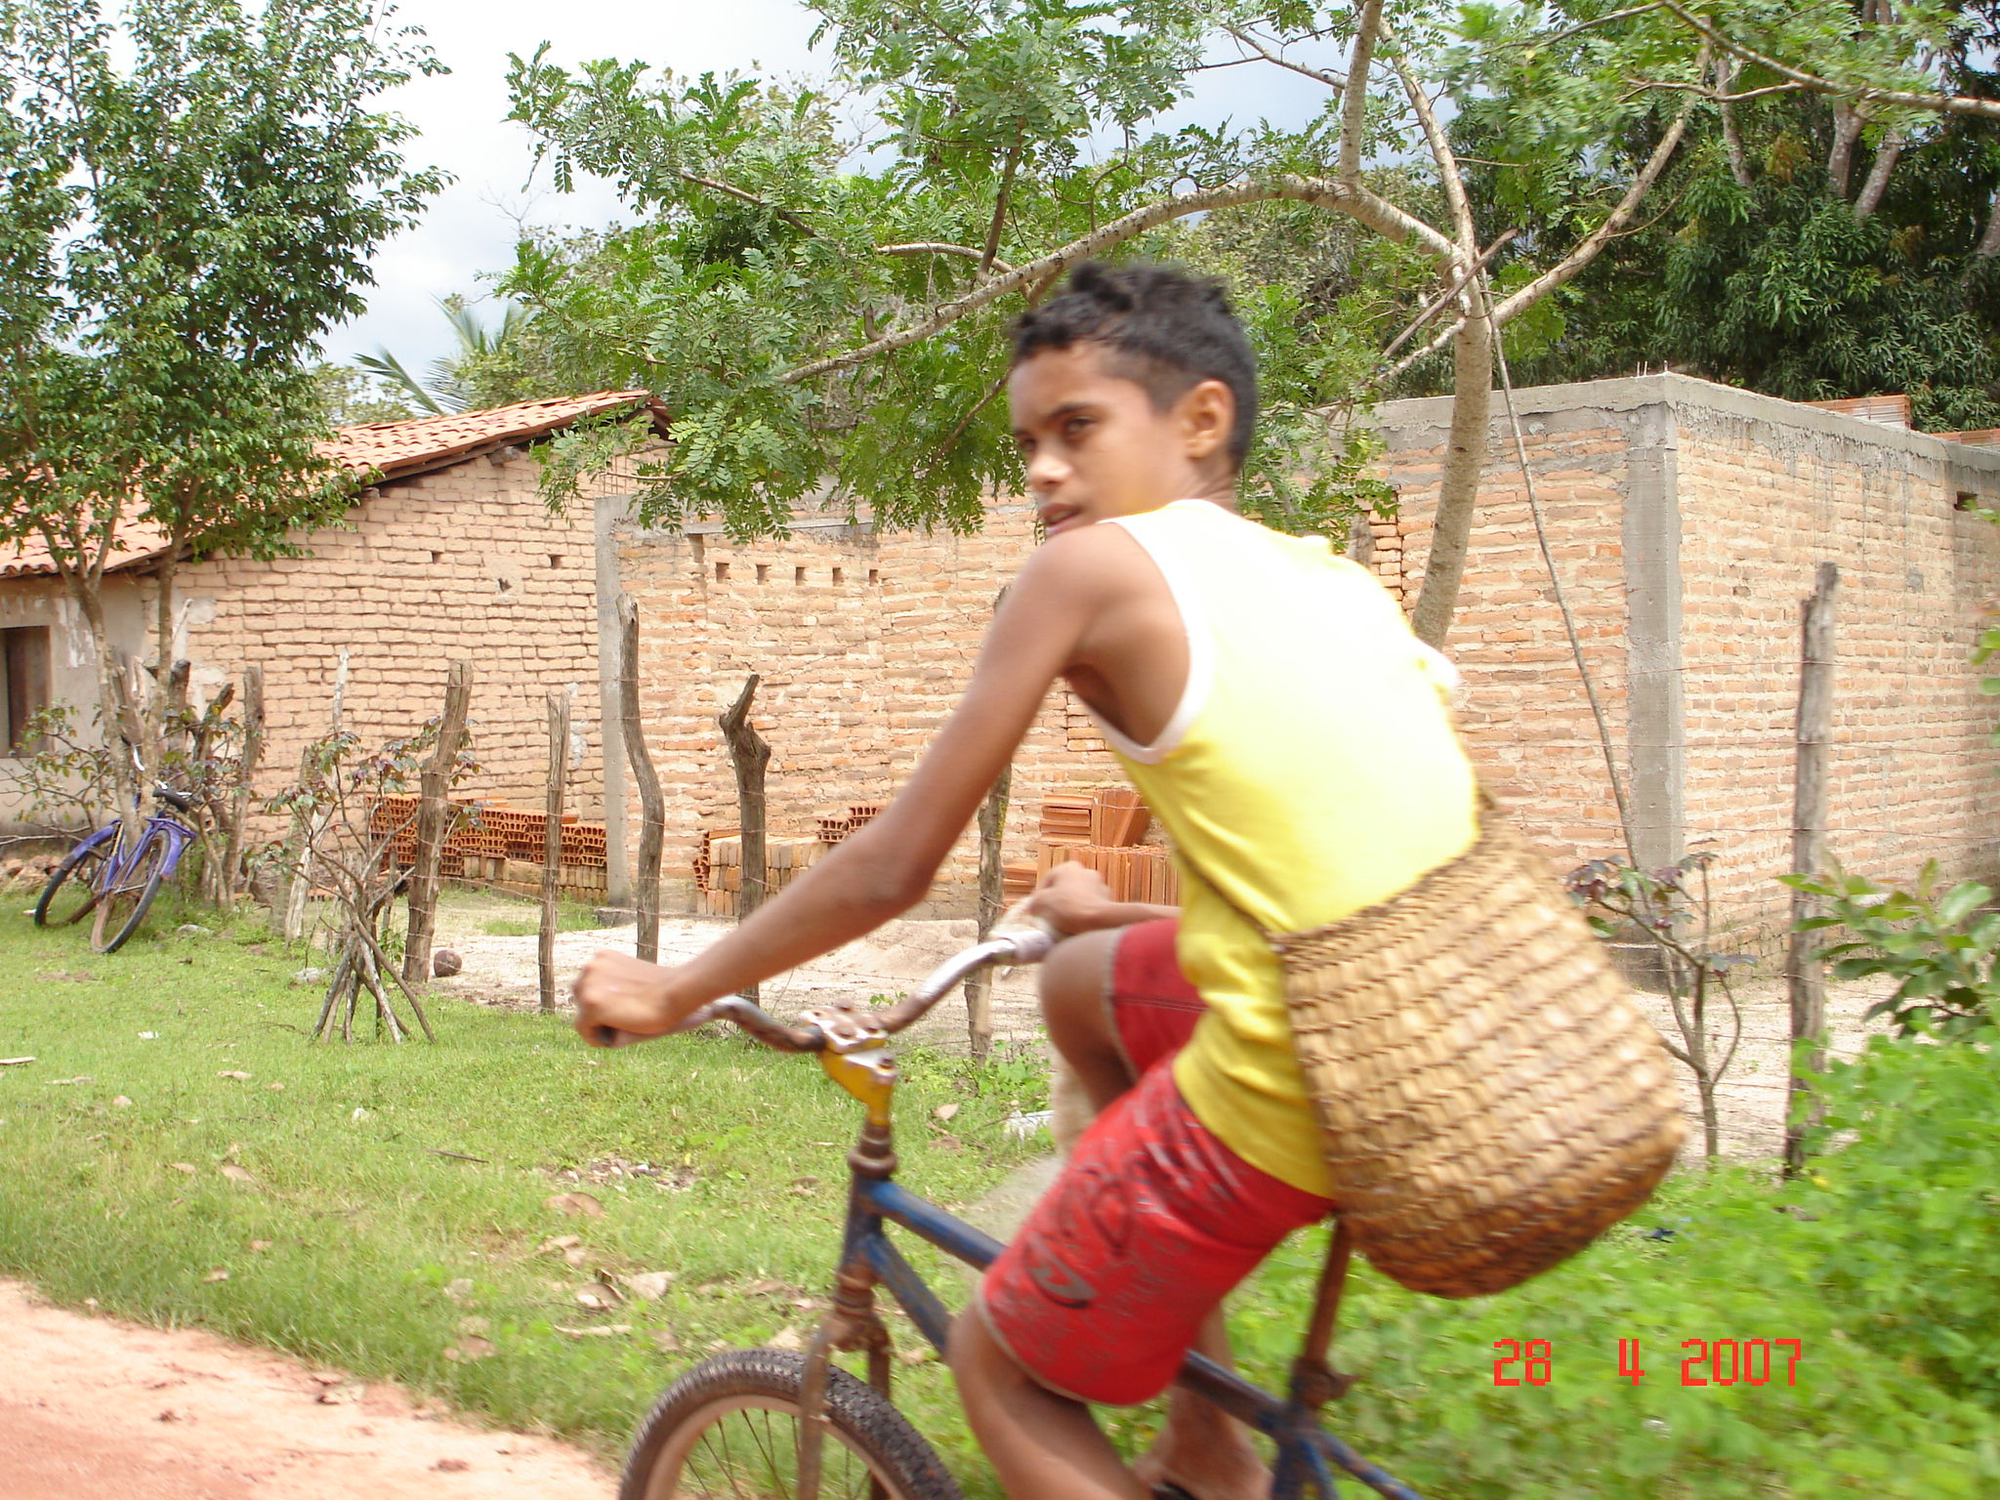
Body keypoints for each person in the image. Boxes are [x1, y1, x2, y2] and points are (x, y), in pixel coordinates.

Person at [569, 261, 1478, 1500]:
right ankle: (1206, 1444)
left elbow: (894, 865)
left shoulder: (1087, 571)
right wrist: (1130, 917)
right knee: (1082, 984)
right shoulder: (1328, 577)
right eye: (1029, 442)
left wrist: (681, 986)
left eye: (1077, 428)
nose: (1042, 470)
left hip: (1296, 1071)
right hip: (1441, 1042)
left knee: (998, 1361)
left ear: (1198, 422)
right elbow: (1346, 866)